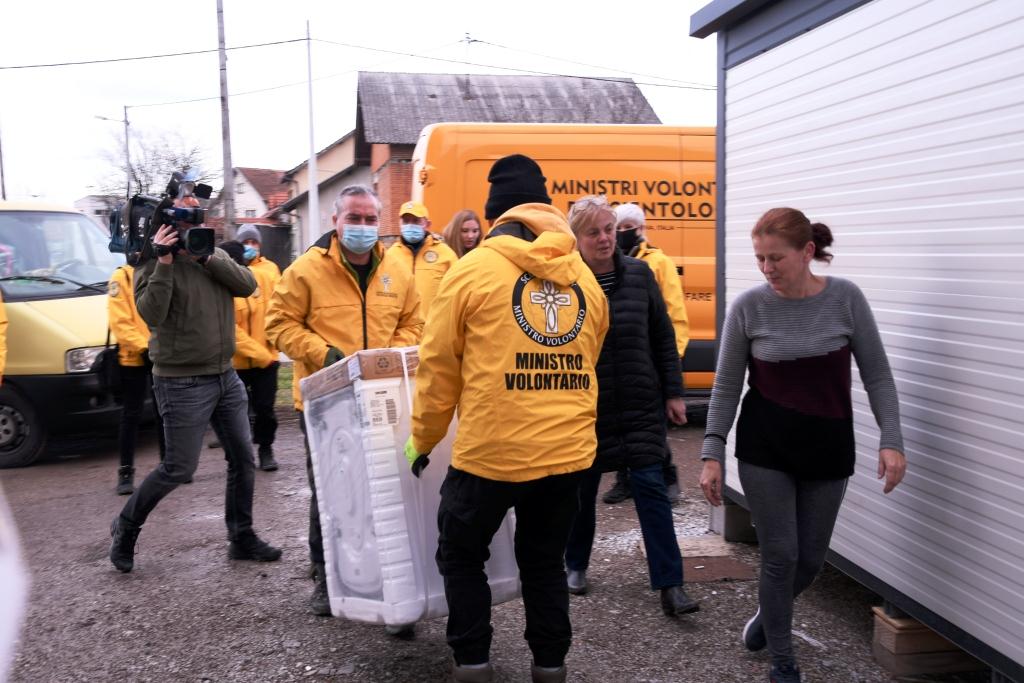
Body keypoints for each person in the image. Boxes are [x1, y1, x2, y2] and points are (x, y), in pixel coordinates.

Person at [404, 155, 609, 683]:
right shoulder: (585, 280)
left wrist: (422, 440)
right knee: (544, 561)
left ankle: (473, 664)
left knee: (461, 554)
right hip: (567, 457)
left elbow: (437, 368)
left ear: (498, 216)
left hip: (491, 455)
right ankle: (550, 666)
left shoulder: (471, 270)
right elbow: (589, 359)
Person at [699, 208, 906, 683]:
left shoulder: (846, 299)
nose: (767, 268)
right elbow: (727, 384)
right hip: (765, 447)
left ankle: (766, 618)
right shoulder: (749, 307)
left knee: (811, 559)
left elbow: (877, 374)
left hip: (828, 446)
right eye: (760, 259)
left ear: (807, 252)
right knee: (781, 555)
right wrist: (712, 452)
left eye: (776, 258)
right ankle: (783, 660)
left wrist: (891, 439)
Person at [109, 177, 282, 573]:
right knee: (179, 468)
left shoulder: (211, 253)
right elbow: (151, 314)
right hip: (181, 381)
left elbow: (248, 284)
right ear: (167, 218)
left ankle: (241, 537)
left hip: (225, 375)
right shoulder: (147, 262)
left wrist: (207, 257)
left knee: (243, 457)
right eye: (185, 212)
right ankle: (125, 525)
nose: (193, 219)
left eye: (196, 213)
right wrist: (167, 263)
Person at [265, 184, 422, 619]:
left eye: (371, 219)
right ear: (335, 222)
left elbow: (415, 321)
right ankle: (324, 574)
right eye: (354, 218)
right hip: (326, 399)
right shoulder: (305, 270)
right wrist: (326, 355)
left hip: (382, 395)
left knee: (388, 488)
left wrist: (386, 358)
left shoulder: (397, 269)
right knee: (333, 492)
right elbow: (278, 325)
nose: (364, 227)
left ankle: (388, 575)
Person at [562, 195, 697, 617]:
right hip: (586, 406)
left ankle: (671, 585)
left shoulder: (639, 274)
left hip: (640, 401)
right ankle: (575, 564)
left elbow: (662, 335)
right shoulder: (564, 282)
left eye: (608, 229)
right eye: (594, 232)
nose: (604, 238)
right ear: (576, 238)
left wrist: (674, 392)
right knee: (580, 495)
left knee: (652, 491)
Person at [601, 202, 690, 506]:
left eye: (629, 228)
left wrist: (671, 360)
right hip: (623, 355)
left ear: (641, 229)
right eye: (619, 228)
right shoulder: (607, 261)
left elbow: (673, 314)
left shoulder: (657, 262)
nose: (623, 234)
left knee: (651, 428)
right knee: (622, 424)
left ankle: (667, 480)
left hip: (649, 358)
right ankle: (624, 480)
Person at [108, 258, 166, 495]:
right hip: (133, 357)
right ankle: (125, 472)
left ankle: (169, 466)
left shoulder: (158, 272)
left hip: (158, 354)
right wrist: (146, 347)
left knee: (164, 412)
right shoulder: (120, 277)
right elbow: (120, 323)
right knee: (131, 415)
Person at [229, 226, 283, 472]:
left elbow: (281, 308)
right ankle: (240, 456)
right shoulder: (229, 272)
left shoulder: (271, 270)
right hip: (237, 361)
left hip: (267, 357)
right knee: (236, 412)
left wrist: (272, 345)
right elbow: (228, 324)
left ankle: (265, 448)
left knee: (265, 409)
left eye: (254, 241)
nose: (250, 245)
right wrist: (256, 352)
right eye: (245, 241)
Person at [388, 201, 457, 319]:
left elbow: (457, 292)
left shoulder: (445, 254)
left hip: (434, 329)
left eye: (416, 221)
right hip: (402, 332)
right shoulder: (389, 256)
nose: (410, 225)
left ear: (427, 224)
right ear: (399, 223)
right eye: (406, 221)